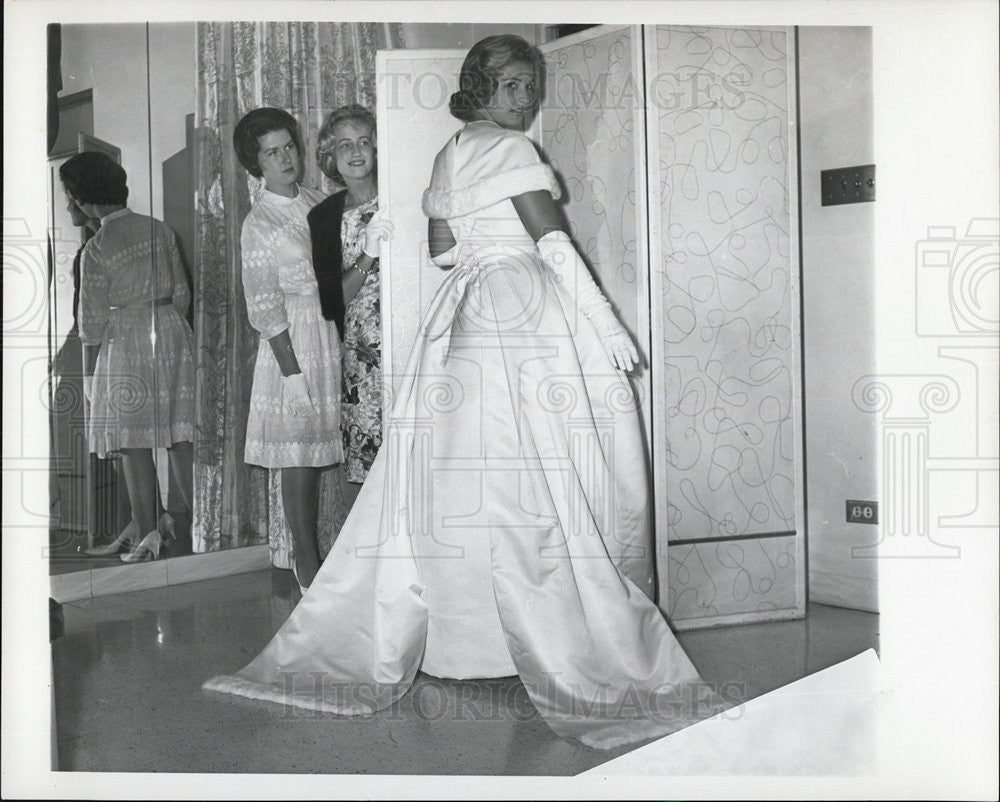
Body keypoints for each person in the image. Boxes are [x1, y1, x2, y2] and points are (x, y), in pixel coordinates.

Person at [205, 37, 724, 749]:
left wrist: (484, 247)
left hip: (466, 311)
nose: (526, 99)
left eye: (529, 85)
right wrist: (604, 323)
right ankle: (547, 634)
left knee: (464, 472)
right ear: (483, 85)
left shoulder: (451, 153)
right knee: (536, 471)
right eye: (513, 86)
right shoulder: (510, 151)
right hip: (523, 304)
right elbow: (555, 245)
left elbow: (442, 250)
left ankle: (470, 641)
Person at [61, 151, 194, 562]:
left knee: (132, 444)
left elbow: (92, 325)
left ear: (85, 199)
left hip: (125, 342)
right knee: (179, 436)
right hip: (171, 330)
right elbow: (183, 294)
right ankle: (195, 527)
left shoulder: (97, 248)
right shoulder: (160, 229)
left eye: (70, 196)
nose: (69, 205)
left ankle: (149, 531)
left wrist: (88, 382)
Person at [233, 107, 345, 591]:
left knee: (332, 452)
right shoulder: (258, 224)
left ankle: (339, 554)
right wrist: (293, 375)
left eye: (289, 147)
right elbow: (264, 308)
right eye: (271, 152)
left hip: (332, 334)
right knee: (299, 459)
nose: (285, 158)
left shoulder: (319, 201)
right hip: (293, 345)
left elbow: (339, 281)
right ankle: (306, 561)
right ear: (255, 164)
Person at [307, 104, 391, 509]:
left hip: (412, 335)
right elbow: (332, 300)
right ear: (331, 156)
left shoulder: (402, 194)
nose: (355, 152)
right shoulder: (324, 216)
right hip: (362, 353)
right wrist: (367, 255)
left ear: (377, 146)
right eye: (344, 145)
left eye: (363, 142)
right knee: (366, 454)